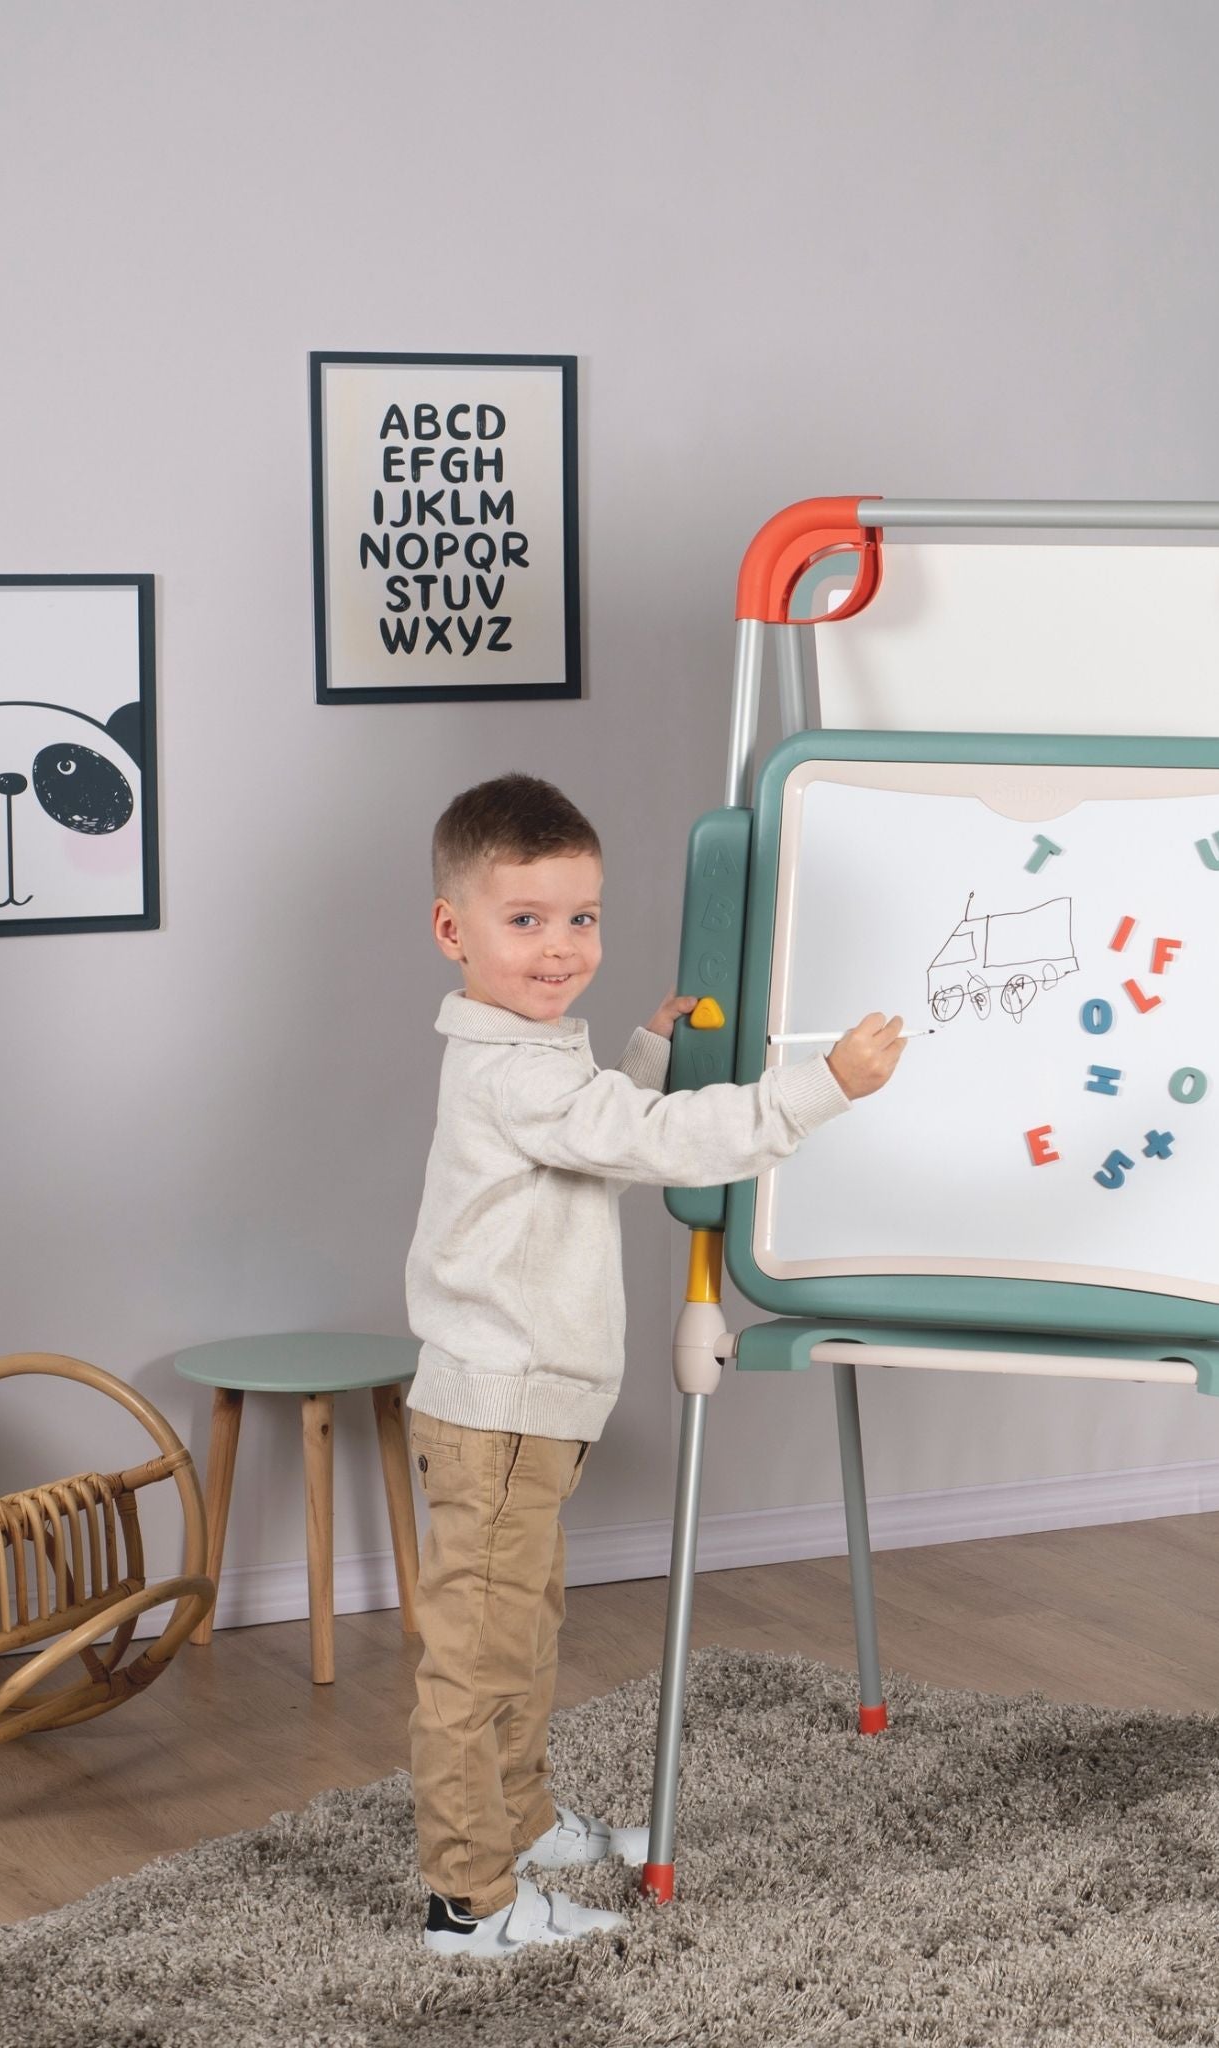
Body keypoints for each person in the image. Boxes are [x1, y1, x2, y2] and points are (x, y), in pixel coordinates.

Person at [405, 772, 903, 1958]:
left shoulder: (530, 1052)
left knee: (520, 1634)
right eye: (525, 919)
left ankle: (522, 1819)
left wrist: (638, 1048)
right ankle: (467, 1898)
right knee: (478, 1658)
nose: (560, 946)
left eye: (580, 916)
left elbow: (588, 1130)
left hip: (528, 1406)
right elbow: (650, 1140)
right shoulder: (517, 1068)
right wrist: (820, 1088)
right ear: (452, 929)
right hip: (502, 1407)